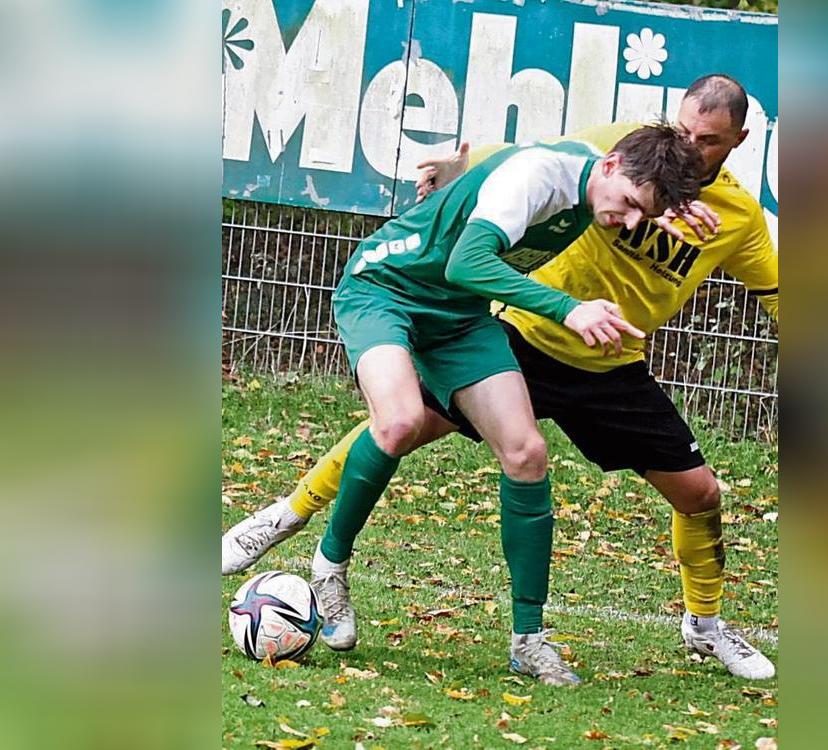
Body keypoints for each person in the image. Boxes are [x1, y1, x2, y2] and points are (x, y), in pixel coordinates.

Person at [223, 74, 778, 680]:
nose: (628, 222)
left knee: (548, 460)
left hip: (546, 341)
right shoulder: (583, 161)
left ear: (739, 140)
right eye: (686, 133)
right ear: (615, 162)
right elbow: (502, 200)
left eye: (710, 141)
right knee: (402, 421)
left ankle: (543, 639)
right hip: (435, 302)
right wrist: (466, 169)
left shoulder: (672, 198)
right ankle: (306, 540)